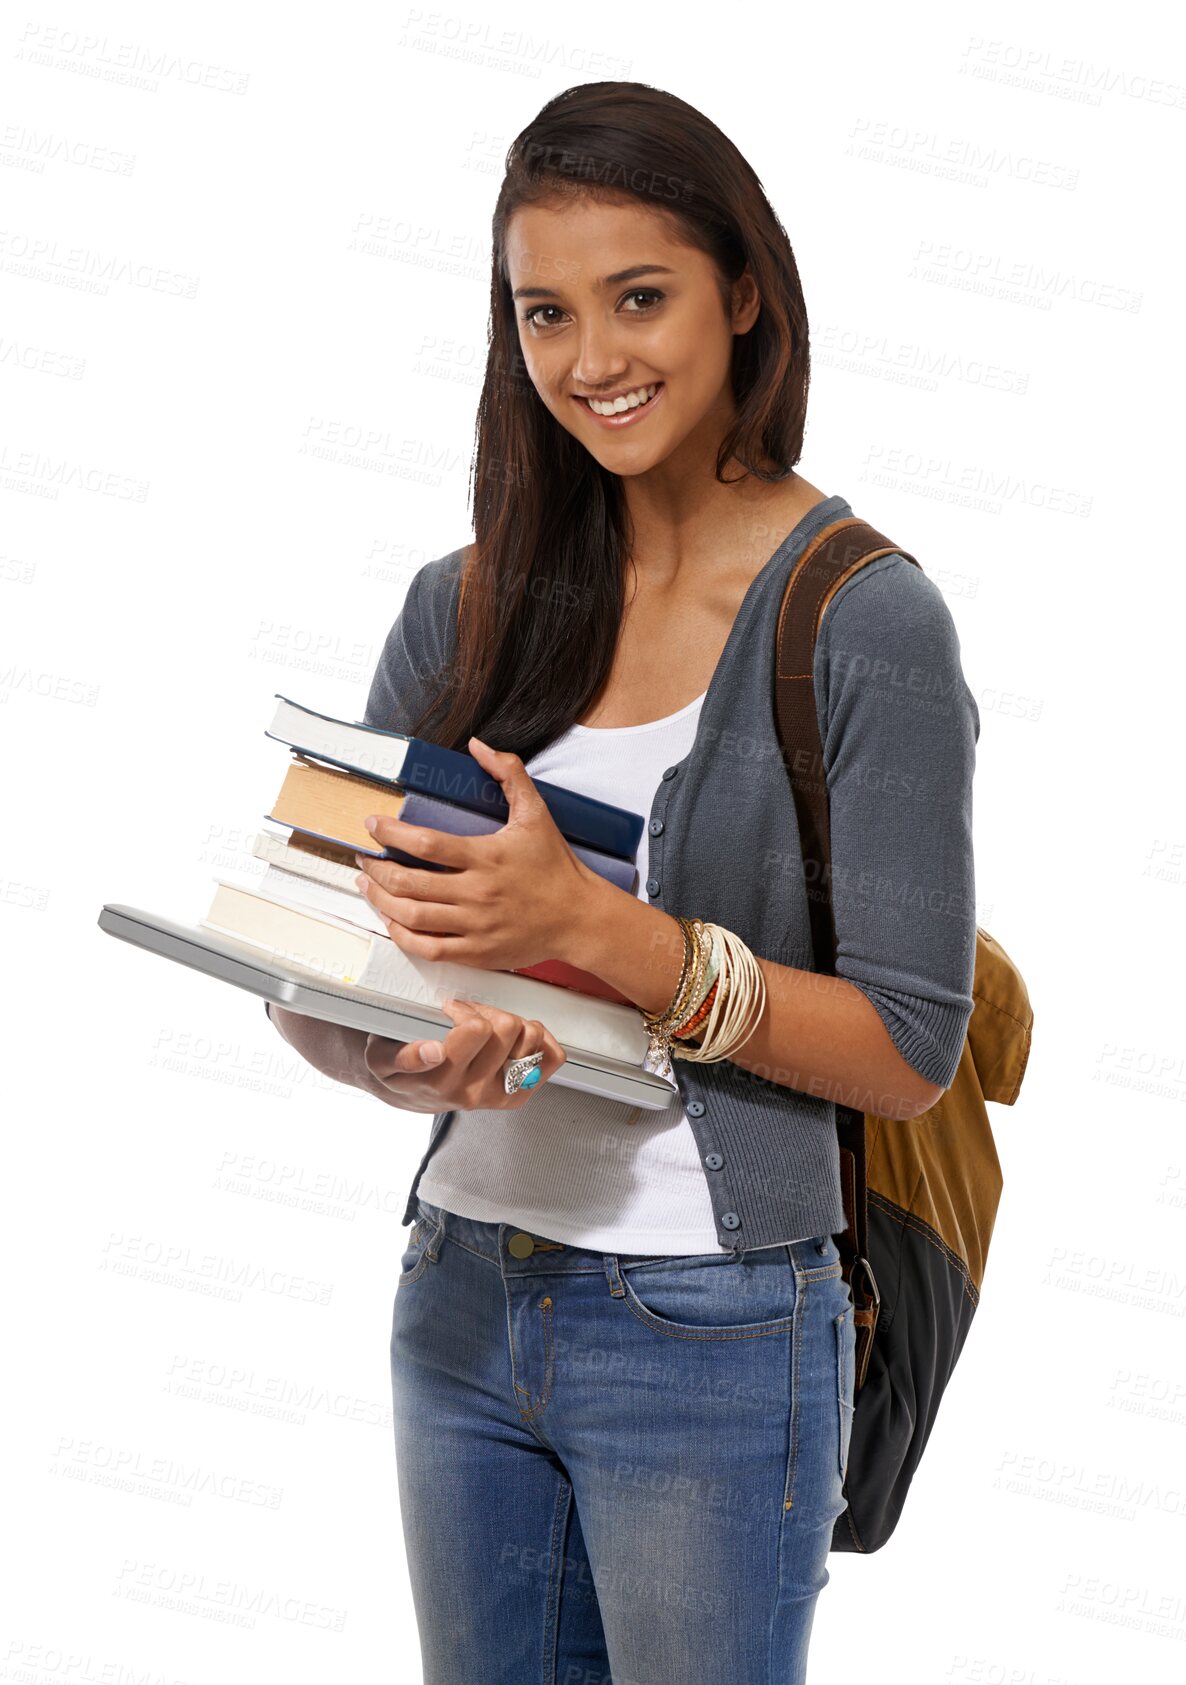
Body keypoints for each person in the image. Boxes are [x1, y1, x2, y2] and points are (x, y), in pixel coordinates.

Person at [268, 80, 979, 1685]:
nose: (591, 359)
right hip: (460, 1293)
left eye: (637, 297)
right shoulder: (462, 605)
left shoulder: (866, 621)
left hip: (714, 1327)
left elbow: (905, 1043)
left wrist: (600, 935)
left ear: (741, 292)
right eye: (544, 311)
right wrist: (395, 1056)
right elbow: (329, 960)